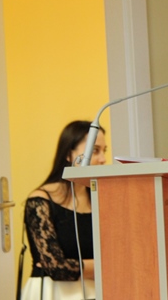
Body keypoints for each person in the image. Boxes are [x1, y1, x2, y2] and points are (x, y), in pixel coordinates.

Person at [20, 120, 107, 300]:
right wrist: (104, 266)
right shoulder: (40, 201)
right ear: (69, 154)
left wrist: (79, 266)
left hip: (97, 292)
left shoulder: (103, 200)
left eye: (104, 151)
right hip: (52, 293)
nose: (103, 159)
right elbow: (56, 268)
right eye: (95, 150)